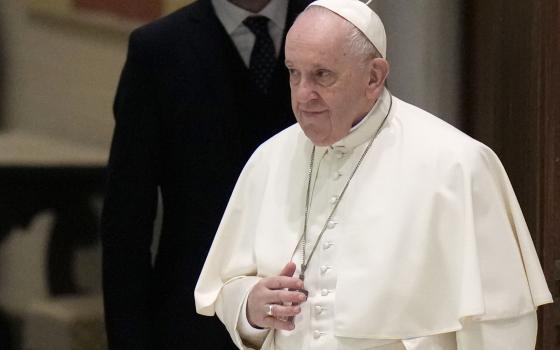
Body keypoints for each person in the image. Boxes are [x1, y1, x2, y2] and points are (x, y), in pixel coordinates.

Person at [194, 0, 553, 349]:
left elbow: (501, 325)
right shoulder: (269, 159)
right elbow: (229, 286)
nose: (303, 95)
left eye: (322, 75)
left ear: (373, 77)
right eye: (293, 73)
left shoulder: (457, 164)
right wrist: (249, 308)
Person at [100, 0, 309, 349]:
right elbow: (126, 222)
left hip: (309, 312)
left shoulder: (327, 28)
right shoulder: (158, 49)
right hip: (192, 319)